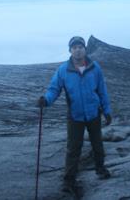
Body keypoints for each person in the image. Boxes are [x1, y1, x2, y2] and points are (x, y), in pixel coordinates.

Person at [37, 36, 112, 192]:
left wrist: (107, 111)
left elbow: (102, 90)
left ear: (85, 49)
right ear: (70, 51)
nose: (78, 50)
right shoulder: (63, 70)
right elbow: (54, 89)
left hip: (93, 114)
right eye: (74, 47)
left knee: (97, 144)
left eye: (80, 47)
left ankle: (100, 168)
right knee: (73, 149)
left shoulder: (94, 67)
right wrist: (46, 100)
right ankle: (69, 180)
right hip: (75, 116)